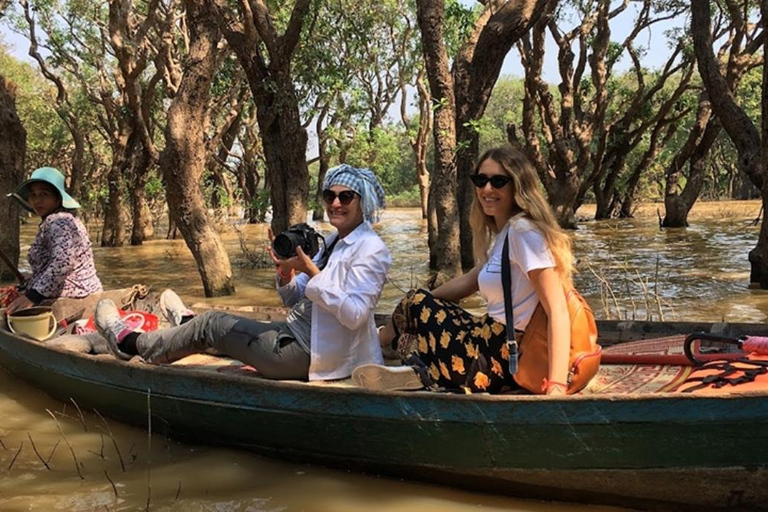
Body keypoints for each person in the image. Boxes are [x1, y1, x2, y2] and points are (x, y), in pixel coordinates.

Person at [94, 164, 392, 381]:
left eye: (346, 197)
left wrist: (312, 271)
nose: (336, 204)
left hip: (310, 356)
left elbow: (355, 315)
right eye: (330, 196)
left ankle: (131, 344)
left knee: (212, 323)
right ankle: (186, 325)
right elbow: (295, 299)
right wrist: (286, 272)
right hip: (297, 335)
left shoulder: (372, 249)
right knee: (222, 329)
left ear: (362, 202)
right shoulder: (331, 241)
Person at [353, 146, 574, 395]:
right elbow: (471, 280)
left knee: (414, 302)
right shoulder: (506, 234)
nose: (487, 189)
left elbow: (557, 309)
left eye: (498, 181)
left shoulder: (524, 233)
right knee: (416, 301)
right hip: (490, 343)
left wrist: (556, 385)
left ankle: (382, 348)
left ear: (518, 186)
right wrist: (425, 306)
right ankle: (415, 365)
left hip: (501, 358)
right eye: (481, 181)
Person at [4, 167, 102, 314]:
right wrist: (33, 278)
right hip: (73, 293)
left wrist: (32, 297)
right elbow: (53, 263)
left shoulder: (60, 222)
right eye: (33, 195)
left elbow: (64, 263)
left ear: (57, 198)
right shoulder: (56, 220)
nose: (37, 200)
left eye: (44, 194)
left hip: (76, 296)